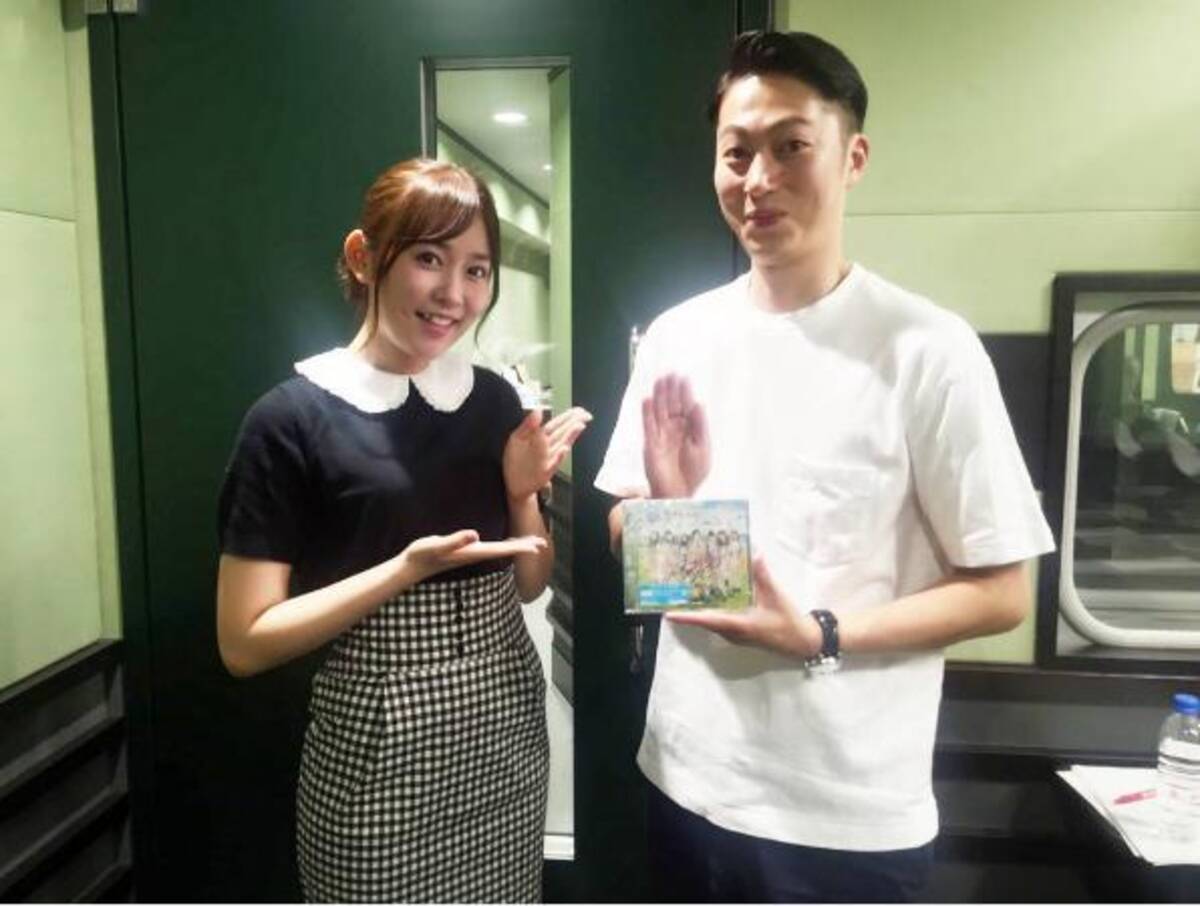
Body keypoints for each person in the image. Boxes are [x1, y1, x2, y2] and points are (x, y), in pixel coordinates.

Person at [594, 31, 1054, 903]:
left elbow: (1001, 592)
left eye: (791, 146)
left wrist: (819, 634)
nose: (757, 178)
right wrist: (672, 512)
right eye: (736, 153)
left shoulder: (929, 350)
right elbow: (624, 522)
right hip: (685, 778)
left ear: (853, 158)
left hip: (845, 821)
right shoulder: (678, 337)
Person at [216, 158, 590, 903]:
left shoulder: (493, 401)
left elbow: (529, 583)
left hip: (504, 729)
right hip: (377, 748)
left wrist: (523, 495)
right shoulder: (289, 420)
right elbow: (244, 642)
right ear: (364, 257)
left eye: (476, 270)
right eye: (428, 259)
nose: (455, 294)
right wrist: (404, 570)